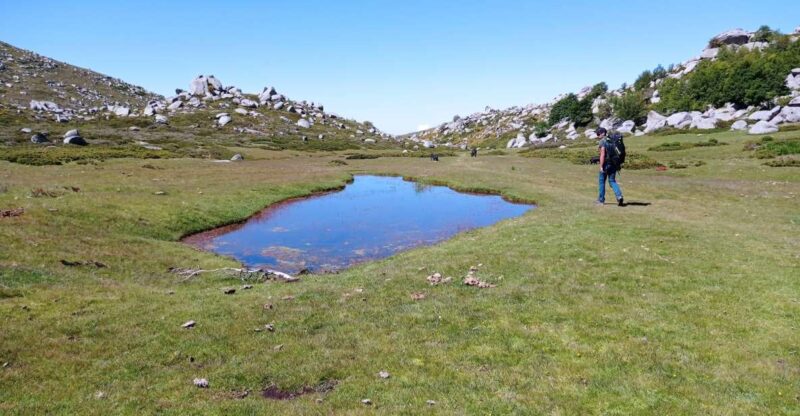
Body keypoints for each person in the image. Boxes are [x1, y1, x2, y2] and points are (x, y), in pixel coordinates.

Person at [595, 127, 624, 206]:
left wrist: (601, 166)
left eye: (598, 134)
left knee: (601, 182)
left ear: (603, 133)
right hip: (614, 164)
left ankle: (601, 200)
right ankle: (619, 196)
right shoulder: (612, 140)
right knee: (612, 181)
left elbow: (602, 154)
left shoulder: (602, 141)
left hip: (606, 164)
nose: (597, 136)